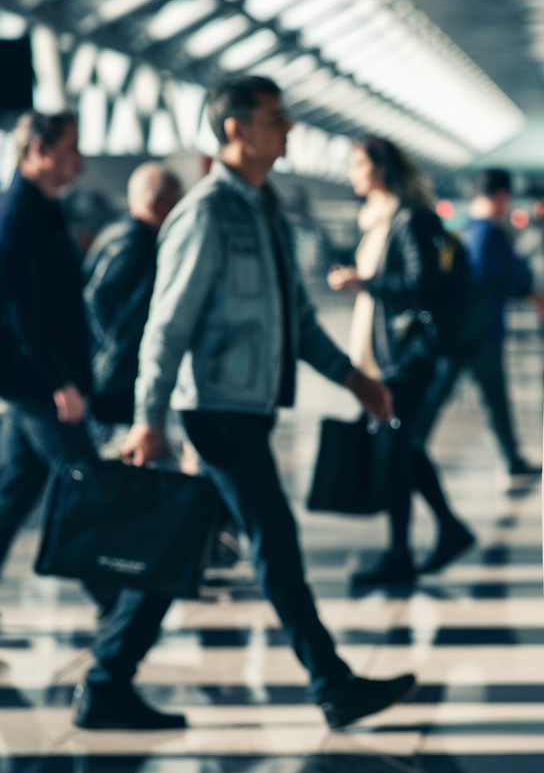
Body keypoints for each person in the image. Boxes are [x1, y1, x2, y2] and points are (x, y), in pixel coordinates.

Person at [117, 75, 415, 730]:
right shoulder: (206, 214)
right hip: (217, 412)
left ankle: (107, 675)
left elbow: (299, 320)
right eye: (275, 119)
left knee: (185, 542)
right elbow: (166, 328)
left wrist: (354, 379)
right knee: (274, 541)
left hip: (247, 409)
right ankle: (332, 683)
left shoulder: (266, 207)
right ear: (235, 130)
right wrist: (149, 418)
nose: (287, 131)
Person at [0, 111, 180, 729]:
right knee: (90, 495)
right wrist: (60, 382)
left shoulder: (43, 207)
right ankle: (115, 633)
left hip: (37, 386)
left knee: (13, 497)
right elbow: (20, 307)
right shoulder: (18, 211)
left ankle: (112, 629)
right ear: (40, 150)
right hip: (41, 388)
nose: (80, 159)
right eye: (71, 149)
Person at [328, 136, 474, 584]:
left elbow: (420, 284)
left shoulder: (409, 220)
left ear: (382, 169)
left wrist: (364, 283)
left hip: (408, 357)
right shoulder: (379, 221)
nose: (352, 173)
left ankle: (401, 554)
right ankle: (446, 530)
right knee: (402, 447)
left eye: (358, 164)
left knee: (396, 449)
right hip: (389, 356)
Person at [413, 168, 540, 483]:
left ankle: (410, 446)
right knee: (492, 396)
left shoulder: (462, 228)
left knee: (441, 394)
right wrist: (530, 292)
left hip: (457, 331)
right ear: (501, 196)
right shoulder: (490, 232)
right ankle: (409, 448)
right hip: (483, 332)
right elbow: (500, 276)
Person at [82, 162, 183, 428]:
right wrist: (114, 345)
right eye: (176, 203)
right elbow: (97, 297)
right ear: (156, 203)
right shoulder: (134, 242)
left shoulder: (118, 232)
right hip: (116, 376)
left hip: (112, 372)